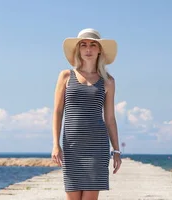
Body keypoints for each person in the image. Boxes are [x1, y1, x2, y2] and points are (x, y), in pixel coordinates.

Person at [51, 28, 122, 200]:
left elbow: (110, 118)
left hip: (97, 147)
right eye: (83, 45)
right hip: (72, 147)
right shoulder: (66, 76)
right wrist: (55, 144)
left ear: (99, 50)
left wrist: (117, 150)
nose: (88, 49)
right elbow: (58, 111)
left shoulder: (108, 81)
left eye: (92, 45)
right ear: (78, 50)